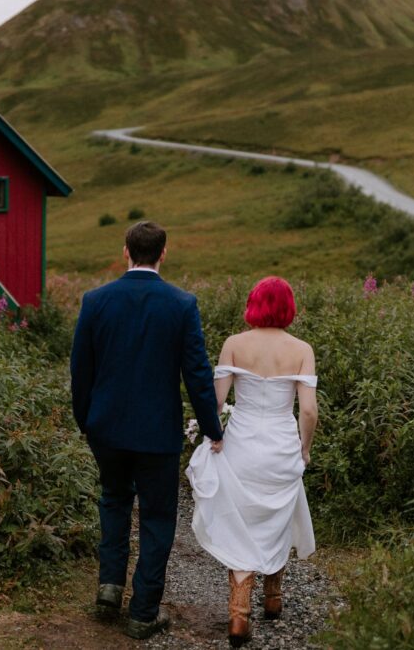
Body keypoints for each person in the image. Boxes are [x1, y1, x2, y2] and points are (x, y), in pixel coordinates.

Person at [70, 221, 224, 640]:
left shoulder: (96, 300)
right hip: (157, 433)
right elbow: (196, 372)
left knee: (114, 501)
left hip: (106, 427)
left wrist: (85, 419)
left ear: (126, 251)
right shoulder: (181, 304)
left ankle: (109, 586)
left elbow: (80, 369)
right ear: (163, 253)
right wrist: (213, 428)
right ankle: (142, 612)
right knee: (157, 517)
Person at [185, 276, 318, 647]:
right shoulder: (301, 349)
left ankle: (239, 612)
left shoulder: (234, 344)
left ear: (253, 305)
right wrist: (304, 448)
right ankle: (272, 598)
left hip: (242, 442)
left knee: (243, 518)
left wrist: (214, 434)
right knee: (278, 513)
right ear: (289, 307)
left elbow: (215, 399)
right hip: (280, 443)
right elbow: (307, 410)